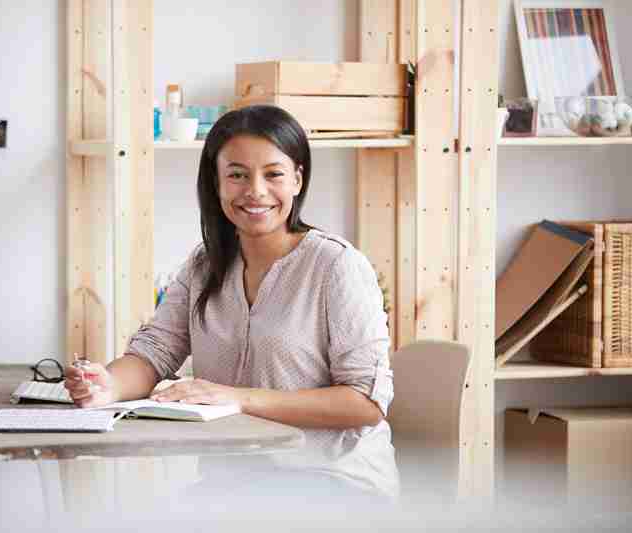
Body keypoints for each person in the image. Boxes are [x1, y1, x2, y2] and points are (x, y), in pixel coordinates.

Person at [64, 104, 397, 504]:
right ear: (216, 183)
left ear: (297, 179)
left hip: (334, 482)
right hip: (236, 482)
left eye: (273, 174)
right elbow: (154, 353)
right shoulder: (204, 265)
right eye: (237, 175)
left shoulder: (336, 266)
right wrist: (107, 386)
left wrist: (237, 397)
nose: (255, 190)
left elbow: (365, 403)